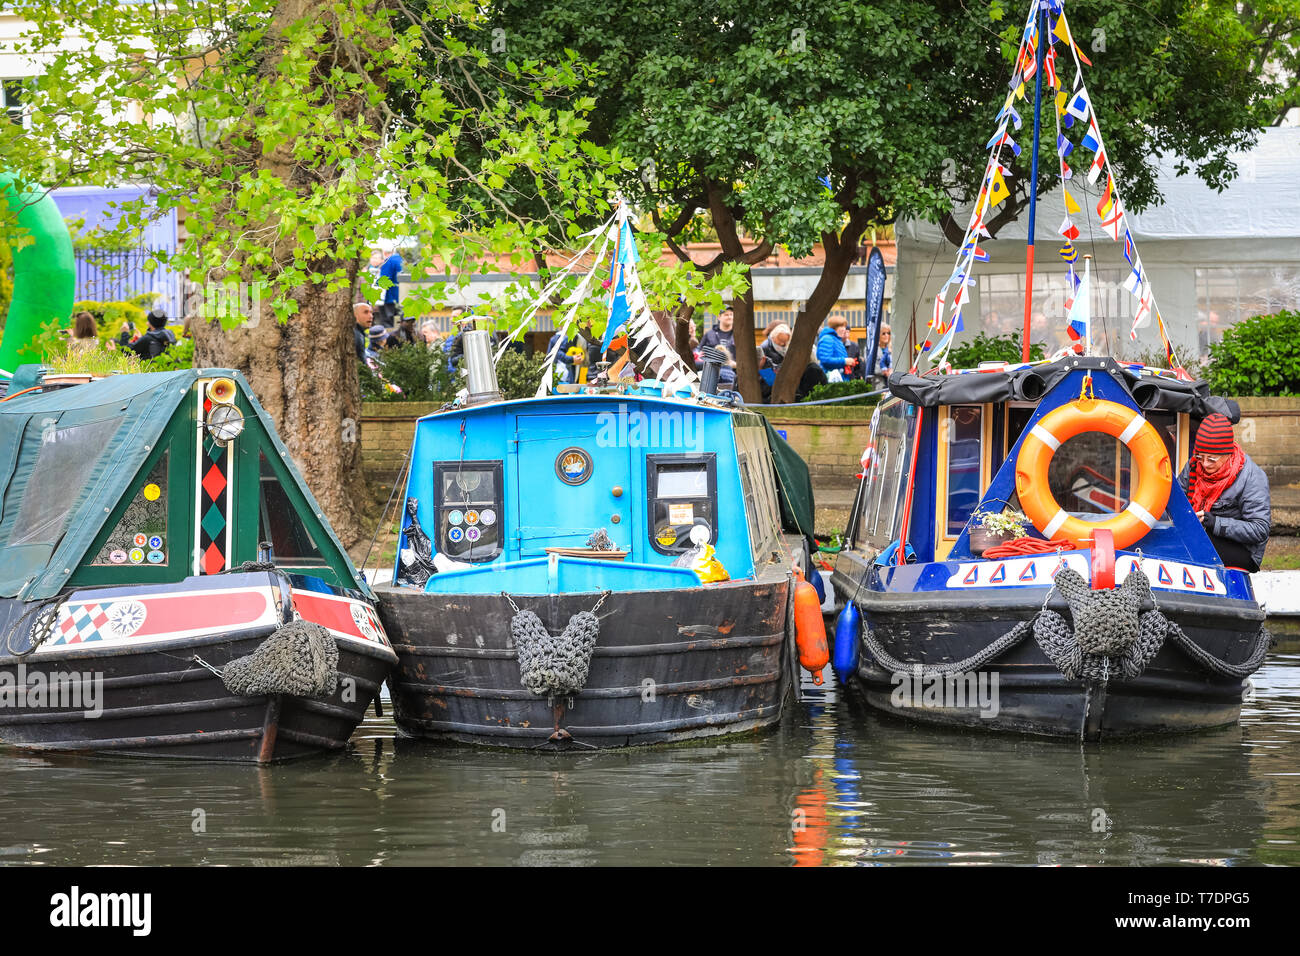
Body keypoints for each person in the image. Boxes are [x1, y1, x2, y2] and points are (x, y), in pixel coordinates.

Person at [1179, 413, 1271, 572]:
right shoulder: (1195, 464)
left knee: (1191, 548)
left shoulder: (1252, 477)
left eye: (1212, 459)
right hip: (1203, 533)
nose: (1205, 464)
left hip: (1243, 549)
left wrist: (1215, 523)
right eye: (1201, 457)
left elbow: (1260, 529)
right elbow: (1178, 498)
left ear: (1228, 454)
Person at [698, 305, 737, 384]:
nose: (729, 317)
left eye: (731, 314)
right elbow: (699, 353)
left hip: (733, 376)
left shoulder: (738, 335)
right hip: (711, 375)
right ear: (719, 317)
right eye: (726, 315)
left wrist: (736, 365)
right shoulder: (709, 334)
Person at [816, 314, 855, 381]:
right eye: (841, 326)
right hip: (831, 380)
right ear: (834, 327)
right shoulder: (827, 339)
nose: (844, 329)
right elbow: (825, 360)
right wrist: (845, 361)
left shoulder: (836, 340)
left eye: (844, 326)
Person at [376, 247, 403, 326]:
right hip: (399, 297)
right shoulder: (401, 259)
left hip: (389, 297)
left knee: (387, 323)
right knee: (399, 323)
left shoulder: (388, 261)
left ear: (384, 252)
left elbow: (384, 280)